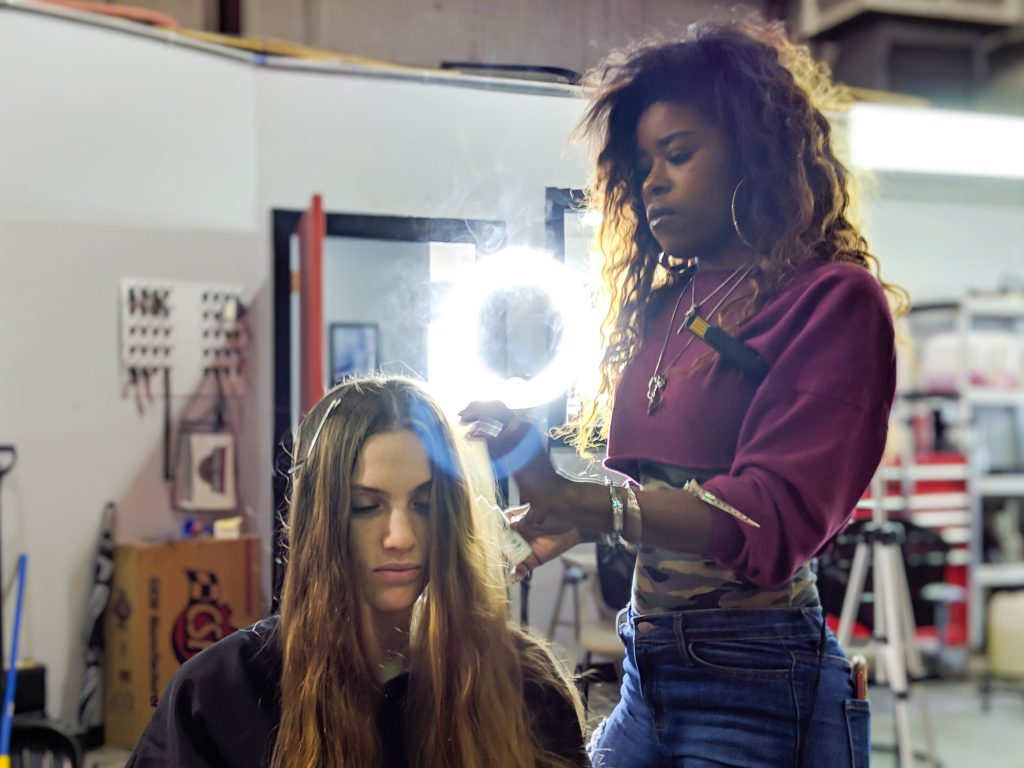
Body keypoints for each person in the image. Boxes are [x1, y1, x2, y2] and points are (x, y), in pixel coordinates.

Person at [461, 15, 904, 768]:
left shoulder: (833, 303)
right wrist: (554, 512)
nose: (653, 181)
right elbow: (657, 488)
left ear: (753, 158)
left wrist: (589, 504)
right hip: (648, 671)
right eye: (643, 164)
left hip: (758, 685)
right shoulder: (668, 309)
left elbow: (770, 517)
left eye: (679, 154)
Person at [128, 376, 588, 767]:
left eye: (424, 505)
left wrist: (599, 514)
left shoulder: (523, 688)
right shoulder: (222, 695)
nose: (401, 536)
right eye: (366, 507)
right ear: (321, 520)